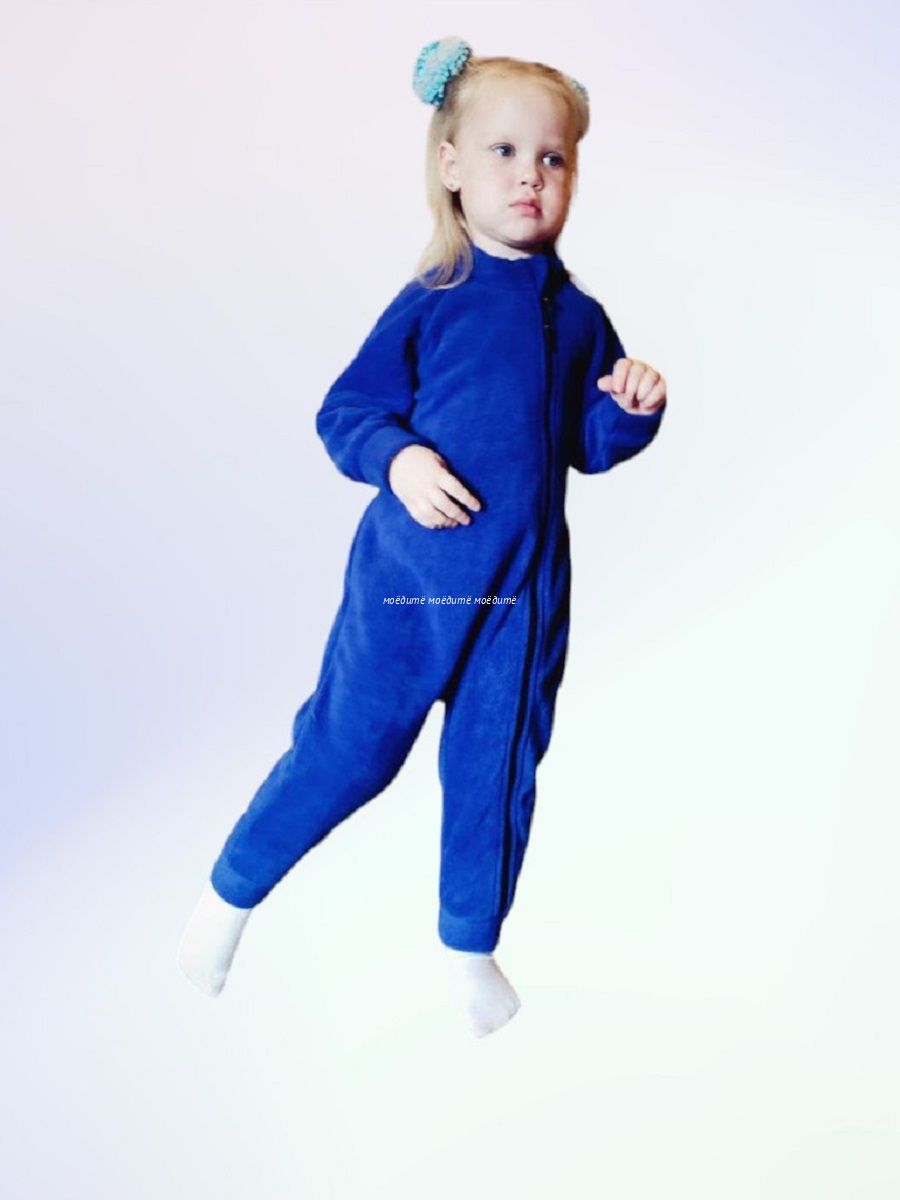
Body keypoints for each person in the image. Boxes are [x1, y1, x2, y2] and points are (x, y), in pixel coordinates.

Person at [177, 35, 668, 1038]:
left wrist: (630, 409)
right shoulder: (434, 299)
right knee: (350, 749)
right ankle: (226, 899)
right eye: (504, 152)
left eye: (553, 158)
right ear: (451, 165)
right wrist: (398, 459)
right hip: (412, 585)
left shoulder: (581, 318)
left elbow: (586, 442)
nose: (530, 177)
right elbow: (347, 411)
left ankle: (468, 948)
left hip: (519, 601)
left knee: (496, 767)